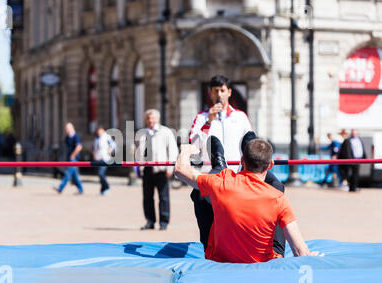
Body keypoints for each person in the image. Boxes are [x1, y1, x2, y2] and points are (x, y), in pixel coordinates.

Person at [174, 137, 322, 263]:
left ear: (242, 160)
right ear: (270, 165)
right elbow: (300, 251)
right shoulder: (278, 198)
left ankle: (220, 164)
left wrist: (186, 151)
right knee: (277, 187)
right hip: (265, 262)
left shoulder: (223, 181)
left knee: (200, 192)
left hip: (221, 259)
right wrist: (310, 257)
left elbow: (180, 171)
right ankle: (249, 156)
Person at [188, 75, 285, 254]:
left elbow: (252, 145)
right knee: (200, 196)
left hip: (241, 174)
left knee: (277, 187)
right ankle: (209, 248)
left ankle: (277, 248)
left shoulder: (240, 117)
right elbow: (193, 147)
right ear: (210, 93)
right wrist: (209, 122)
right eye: (215, 90)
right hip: (215, 175)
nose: (219, 94)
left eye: (222, 90)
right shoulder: (201, 118)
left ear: (229, 92)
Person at [137, 109, 178, 231]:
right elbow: (139, 153)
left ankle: (164, 222)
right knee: (147, 197)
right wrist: (139, 167)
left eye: (153, 118)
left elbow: (172, 150)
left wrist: (170, 167)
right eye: (149, 118)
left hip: (162, 169)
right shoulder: (142, 134)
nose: (151, 120)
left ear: (158, 119)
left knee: (163, 197)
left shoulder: (166, 132)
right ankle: (150, 221)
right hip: (147, 169)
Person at [54, 122, 84, 195]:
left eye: (67, 128)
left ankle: (60, 188)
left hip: (74, 159)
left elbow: (79, 147)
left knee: (68, 174)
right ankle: (80, 189)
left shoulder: (76, 136)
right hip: (69, 158)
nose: (66, 130)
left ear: (72, 128)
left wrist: (73, 155)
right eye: (66, 129)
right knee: (75, 176)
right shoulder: (67, 137)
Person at [92, 126, 116, 195]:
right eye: (98, 131)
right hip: (98, 159)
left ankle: (107, 187)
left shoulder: (106, 137)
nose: (99, 132)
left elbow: (113, 145)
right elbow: (94, 147)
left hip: (105, 159)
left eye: (100, 131)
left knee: (101, 174)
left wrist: (110, 149)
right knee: (100, 175)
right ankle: (103, 190)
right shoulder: (96, 138)